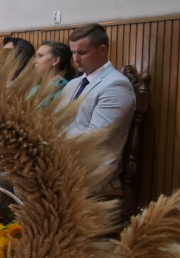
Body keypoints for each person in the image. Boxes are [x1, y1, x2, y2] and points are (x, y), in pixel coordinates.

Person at [58, 23, 136, 190]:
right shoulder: (74, 84)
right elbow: (55, 122)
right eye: (73, 53)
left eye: (82, 53)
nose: (76, 59)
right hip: (62, 158)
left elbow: (95, 137)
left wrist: (51, 146)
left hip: (93, 168)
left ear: (102, 50)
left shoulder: (116, 85)